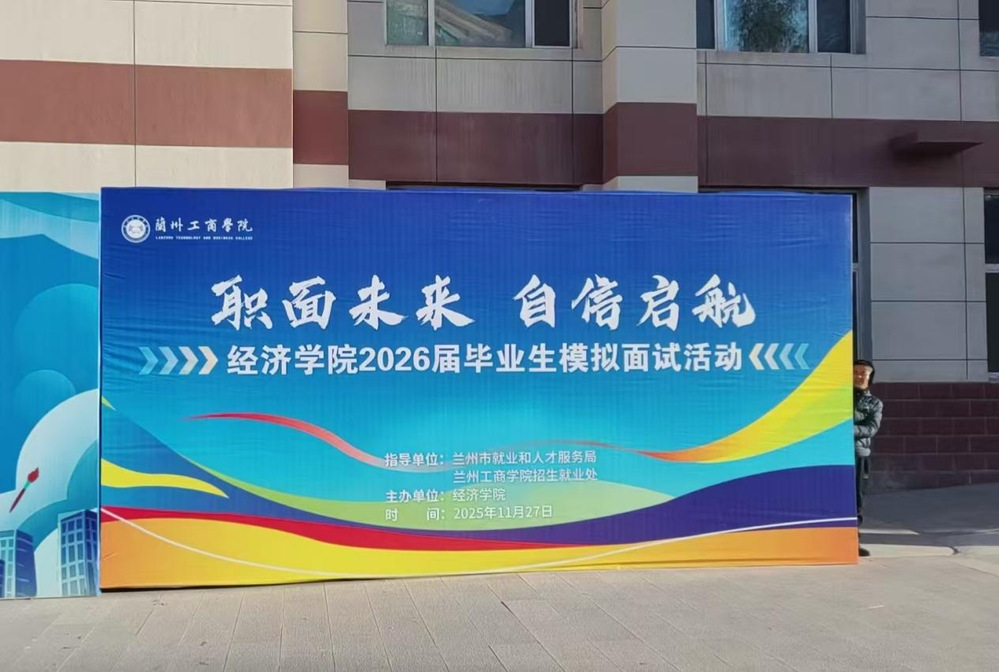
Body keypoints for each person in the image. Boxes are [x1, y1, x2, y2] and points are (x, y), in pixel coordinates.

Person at [854, 359, 882, 557]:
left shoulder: (874, 403)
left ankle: (853, 541)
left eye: (864, 373)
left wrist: (845, 429)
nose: (859, 375)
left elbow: (871, 428)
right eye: (855, 372)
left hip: (858, 454)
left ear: (870, 377)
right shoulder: (839, 397)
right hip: (836, 454)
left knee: (856, 498)